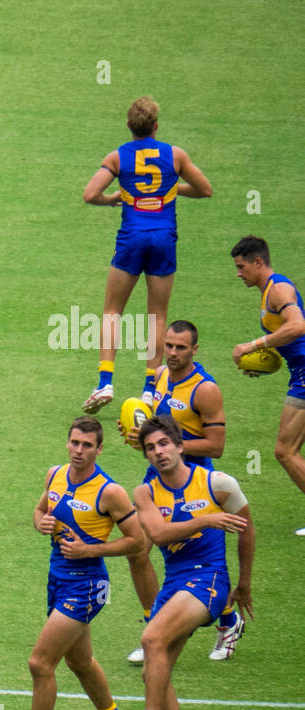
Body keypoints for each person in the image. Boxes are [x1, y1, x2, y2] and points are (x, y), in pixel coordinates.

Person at [111, 416, 254, 710]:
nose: (158, 452)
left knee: (151, 638)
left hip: (209, 580)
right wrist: (206, 519)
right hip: (175, 584)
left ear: (179, 446)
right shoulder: (144, 493)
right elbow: (157, 534)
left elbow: (247, 527)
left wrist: (244, 583)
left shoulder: (218, 484)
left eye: (163, 444)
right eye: (150, 448)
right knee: (156, 675)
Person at [2, 417, 144, 710]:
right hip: (57, 579)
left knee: (40, 663)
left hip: (85, 585)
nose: (79, 450)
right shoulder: (55, 476)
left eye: (87, 445)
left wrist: (90, 549)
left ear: (99, 449)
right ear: (67, 443)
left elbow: (137, 541)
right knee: (80, 662)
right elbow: (39, 511)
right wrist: (41, 523)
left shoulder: (109, 492)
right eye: (74, 443)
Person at [118, 321, 239, 662]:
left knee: (193, 558)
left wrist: (172, 446)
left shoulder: (205, 390)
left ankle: (226, 619)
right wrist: (138, 435)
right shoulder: (158, 377)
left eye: (180, 348)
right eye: (168, 345)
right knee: (138, 548)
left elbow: (217, 446)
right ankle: (154, 625)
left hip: (194, 482)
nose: (172, 353)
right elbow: (157, 424)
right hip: (157, 477)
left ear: (194, 350)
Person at [82, 96, 211, 413]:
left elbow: (90, 194)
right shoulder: (175, 155)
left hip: (132, 238)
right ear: (156, 125)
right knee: (157, 316)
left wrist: (115, 197)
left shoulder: (117, 157)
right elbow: (204, 189)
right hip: (164, 239)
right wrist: (172, 188)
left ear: (129, 126)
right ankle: (150, 389)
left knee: (113, 311)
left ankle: (105, 382)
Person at [229, 235, 305, 534]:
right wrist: (264, 359)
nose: (239, 273)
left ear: (258, 262)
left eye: (241, 266)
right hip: (298, 372)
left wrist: (254, 344)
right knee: (287, 450)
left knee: (285, 450)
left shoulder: (279, 289)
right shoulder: (267, 292)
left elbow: (298, 325)